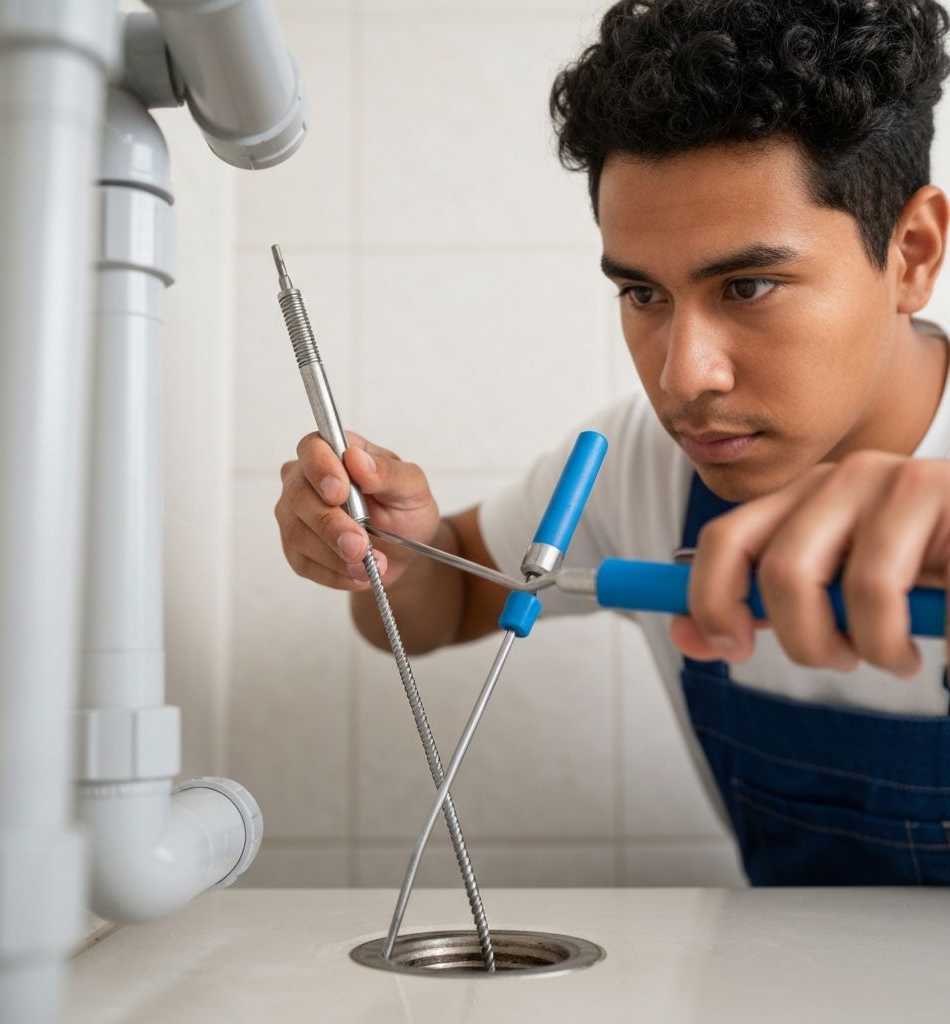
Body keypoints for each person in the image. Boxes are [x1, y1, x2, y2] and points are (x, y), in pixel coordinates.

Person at [276, 0, 950, 885]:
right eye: (643, 295)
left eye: (747, 287)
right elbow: (450, 598)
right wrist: (394, 547)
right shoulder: (639, 461)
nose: (682, 376)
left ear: (910, 252)